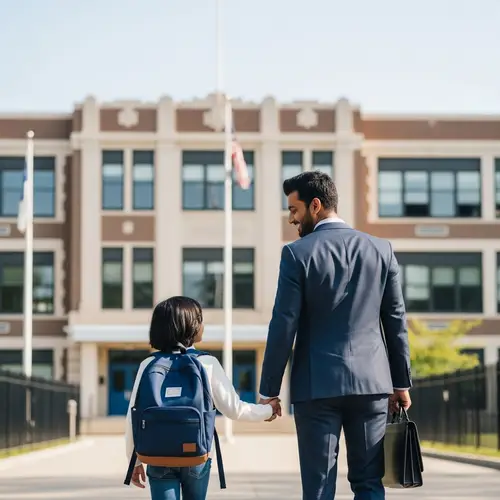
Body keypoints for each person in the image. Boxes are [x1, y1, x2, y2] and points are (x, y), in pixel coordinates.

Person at [258, 171, 412, 500]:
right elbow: (396, 320)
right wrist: (400, 383)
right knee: (369, 482)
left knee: (318, 488)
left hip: (317, 387)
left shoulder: (297, 254)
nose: (291, 219)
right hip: (372, 385)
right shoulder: (380, 250)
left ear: (316, 206)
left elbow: (283, 322)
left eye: (294, 210)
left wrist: (269, 389)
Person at [125, 296, 281, 500]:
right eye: (200, 319)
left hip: (157, 455)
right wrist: (268, 410)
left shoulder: (148, 365)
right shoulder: (206, 363)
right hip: (196, 456)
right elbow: (235, 409)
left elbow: (132, 416)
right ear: (189, 325)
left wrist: (134, 461)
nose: (203, 325)